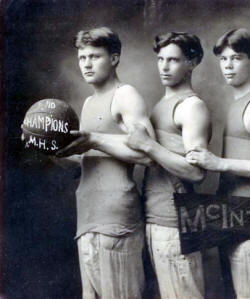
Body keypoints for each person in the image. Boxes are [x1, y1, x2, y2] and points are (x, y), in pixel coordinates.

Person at [186, 28, 250, 299]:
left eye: (237, 58)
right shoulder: (235, 102)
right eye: (223, 59)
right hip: (232, 219)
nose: (228, 66)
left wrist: (218, 163)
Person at [56, 27, 155, 299]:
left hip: (116, 220)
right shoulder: (88, 101)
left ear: (114, 58)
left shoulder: (126, 95)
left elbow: (148, 154)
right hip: (87, 217)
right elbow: (91, 159)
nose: (86, 64)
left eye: (95, 56)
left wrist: (95, 140)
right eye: (82, 57)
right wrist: (53, 151)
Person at [124, 32, 210, 299]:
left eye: (173, 60)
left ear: (192, 62)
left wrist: (148, 145)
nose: (164, 66)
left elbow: (196, 172)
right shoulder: (162, 104)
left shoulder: (192, 107)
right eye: (160, 59)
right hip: (154, 218)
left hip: (176, 223)